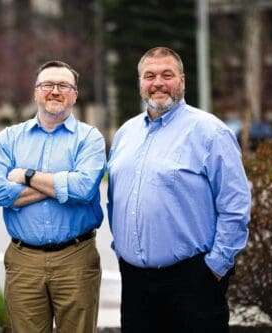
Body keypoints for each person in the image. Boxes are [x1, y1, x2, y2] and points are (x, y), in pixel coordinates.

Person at [107, 47, 251, 332]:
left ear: (182, 81)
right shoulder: (125, 133)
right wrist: (122, 250)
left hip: (193, 282)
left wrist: (215, 267)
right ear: (140, 82)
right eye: (149, 75)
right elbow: (114, 198)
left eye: (166, 75)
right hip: (135, 283)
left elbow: (235, 205)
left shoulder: (210, 132)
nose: (157, 82)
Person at [0, 60, 106, 333]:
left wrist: (27, 175)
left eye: (63, 85)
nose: (55, 91)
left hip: (76, 258)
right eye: (48, 85)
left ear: (74, 94)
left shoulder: (89, 139)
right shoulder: (9, 139)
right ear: (35, 92)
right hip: (23, 260)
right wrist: (59, 183)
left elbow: (84, 189)